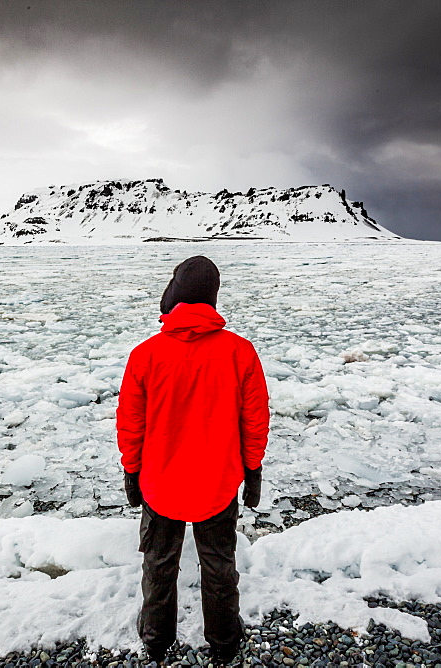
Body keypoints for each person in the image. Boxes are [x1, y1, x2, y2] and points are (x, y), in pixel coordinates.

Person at [116, 255, 270, 664]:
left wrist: (132, 471)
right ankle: (223, 639)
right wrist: (252, 470)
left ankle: (155, 637)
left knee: (159, 564)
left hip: (160, 484)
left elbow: (131, 423)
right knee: (219, 565)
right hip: (217, 485)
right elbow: (254, 420)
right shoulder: (240, 352)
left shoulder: (145, 354)